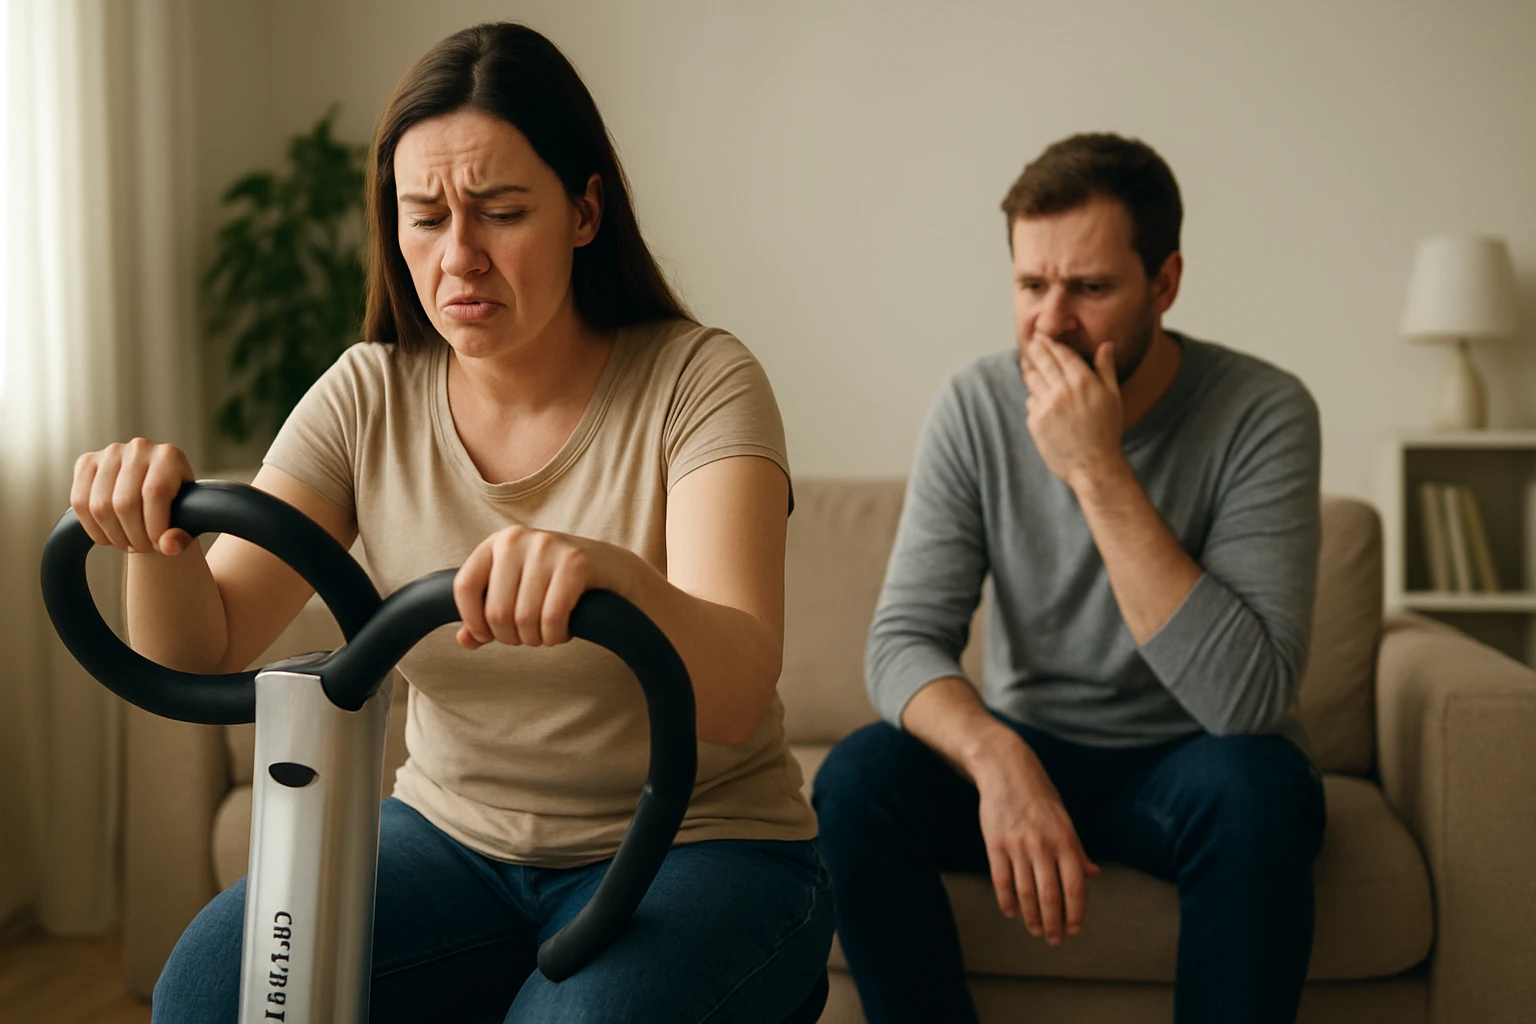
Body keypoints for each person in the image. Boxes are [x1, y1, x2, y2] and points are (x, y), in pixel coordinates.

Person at [73, 22, 831, 1024]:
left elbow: (733, 695)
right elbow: (205, 643)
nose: (459, 257)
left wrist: (614, 576)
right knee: (209, 993)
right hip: (453, 842)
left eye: (501, 211)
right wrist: (150, 537)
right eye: (423, 218)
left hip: (701, 844)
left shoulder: (701, 381)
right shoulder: (365, 395)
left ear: (584, 210)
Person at [812, 133, 1326, 1024]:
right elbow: (901, 644)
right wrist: (997, 758)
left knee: (1263, 790)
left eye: (1089, 289)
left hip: (1187, 761)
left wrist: (1097, 469)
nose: (1050, 323)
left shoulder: (1263, 412)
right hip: (1028, 738)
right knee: (855, 781)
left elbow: (1245, 701)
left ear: (1163, 284)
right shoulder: (975, 406)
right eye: (1029, 286)